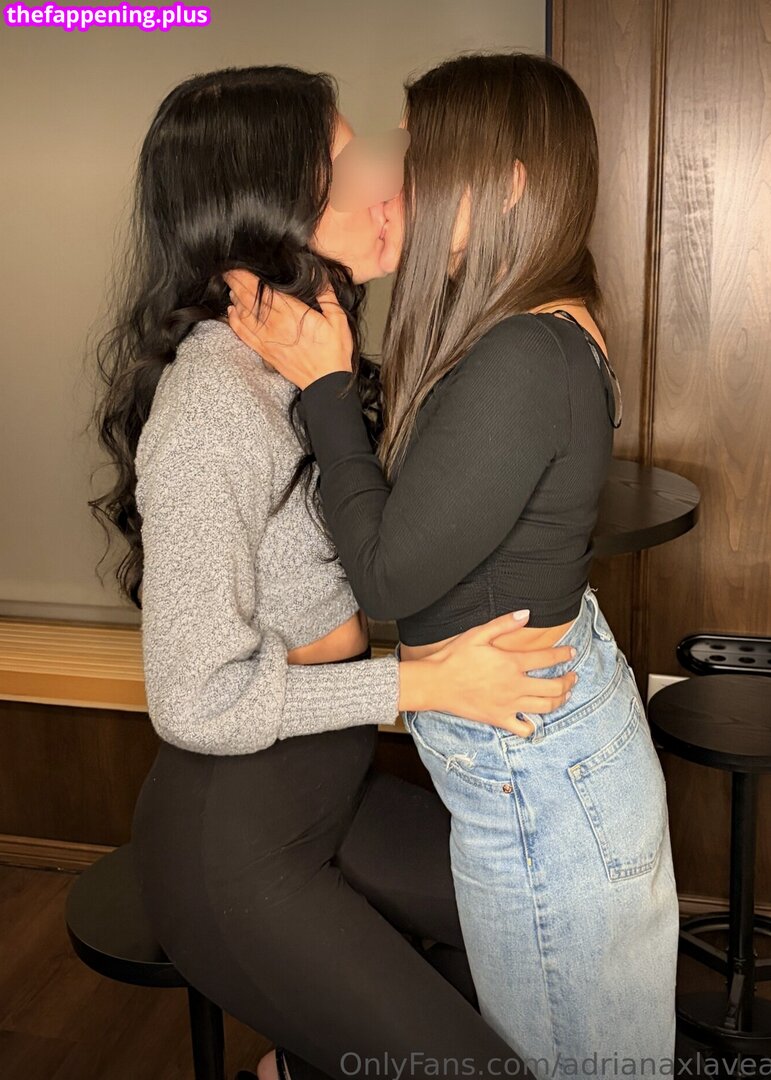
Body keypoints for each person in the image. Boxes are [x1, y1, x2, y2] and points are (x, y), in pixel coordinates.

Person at [88, 65, 579, 1080]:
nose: (390, 180)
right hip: (237, 845)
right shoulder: (213, 406)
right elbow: (192, 699)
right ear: (267, 208)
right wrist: (421, 684)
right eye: (350, 166)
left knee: (550, 931)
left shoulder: (307, 355)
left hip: (332, 795)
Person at [225, 52, 681, 1075]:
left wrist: (325, 387)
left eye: (424, 154)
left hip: (541, 775)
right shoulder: (530, 326)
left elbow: (388, 577)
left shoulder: (526, 353)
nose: (400, 179)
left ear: (508, 182)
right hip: (541, 751)